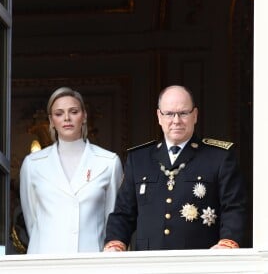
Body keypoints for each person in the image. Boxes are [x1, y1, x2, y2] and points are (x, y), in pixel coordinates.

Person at [104, 85, 247, 251]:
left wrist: (227, 243)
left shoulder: (219, 157)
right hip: (148, 263)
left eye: (183, 113)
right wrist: (115, 243)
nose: (176, 120)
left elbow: (234, 208)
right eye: (169, 114)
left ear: (195, 115)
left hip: (200, 262)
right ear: (159, 116)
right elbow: (123, 213)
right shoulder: (139, 159)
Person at [20, 86, 123, 254]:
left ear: (84, 116)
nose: (67, 118)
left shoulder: (108, 162)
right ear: (52, 121)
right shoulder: (33, 164)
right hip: (45, 261)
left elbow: (112, 221)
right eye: (59, 114)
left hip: (91, 261)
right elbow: (32, 220)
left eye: (73, 111)